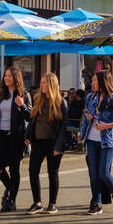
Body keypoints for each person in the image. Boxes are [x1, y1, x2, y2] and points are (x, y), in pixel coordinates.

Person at [82, 70, 113, 215]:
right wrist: (82, 132)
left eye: (95, 81)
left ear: (102, 82)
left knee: (103, 172)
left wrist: (106, 126)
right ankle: (96, 203)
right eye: (92, 81)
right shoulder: (90, 97)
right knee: (93, 174)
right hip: (91, 138)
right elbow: (86, 116)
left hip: (107, 140)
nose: (92, 83)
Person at [26, 71, 70, 215]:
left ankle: (52, 203)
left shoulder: (61, 102)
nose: (41, 85)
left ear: (51, 84)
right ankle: (37, 202)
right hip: (38, 141)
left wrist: (58, 146)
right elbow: (32, 119)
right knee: (33, 171)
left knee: (52, 173)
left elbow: (64, 126)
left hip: (53, 142)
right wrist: (28, 136)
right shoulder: (38, 99)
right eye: (41, 82)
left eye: (44, 83)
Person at [0, 65, 31, 212]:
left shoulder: (24, 94)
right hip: (1, 135)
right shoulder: (2, 94)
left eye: (9, 76)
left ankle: (12, 200)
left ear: (16, 78)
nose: (6, 78)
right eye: (5, 76)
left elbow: (30, 117)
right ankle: (10, 189)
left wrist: (22, 106)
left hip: (17, 136)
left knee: (14, 169)